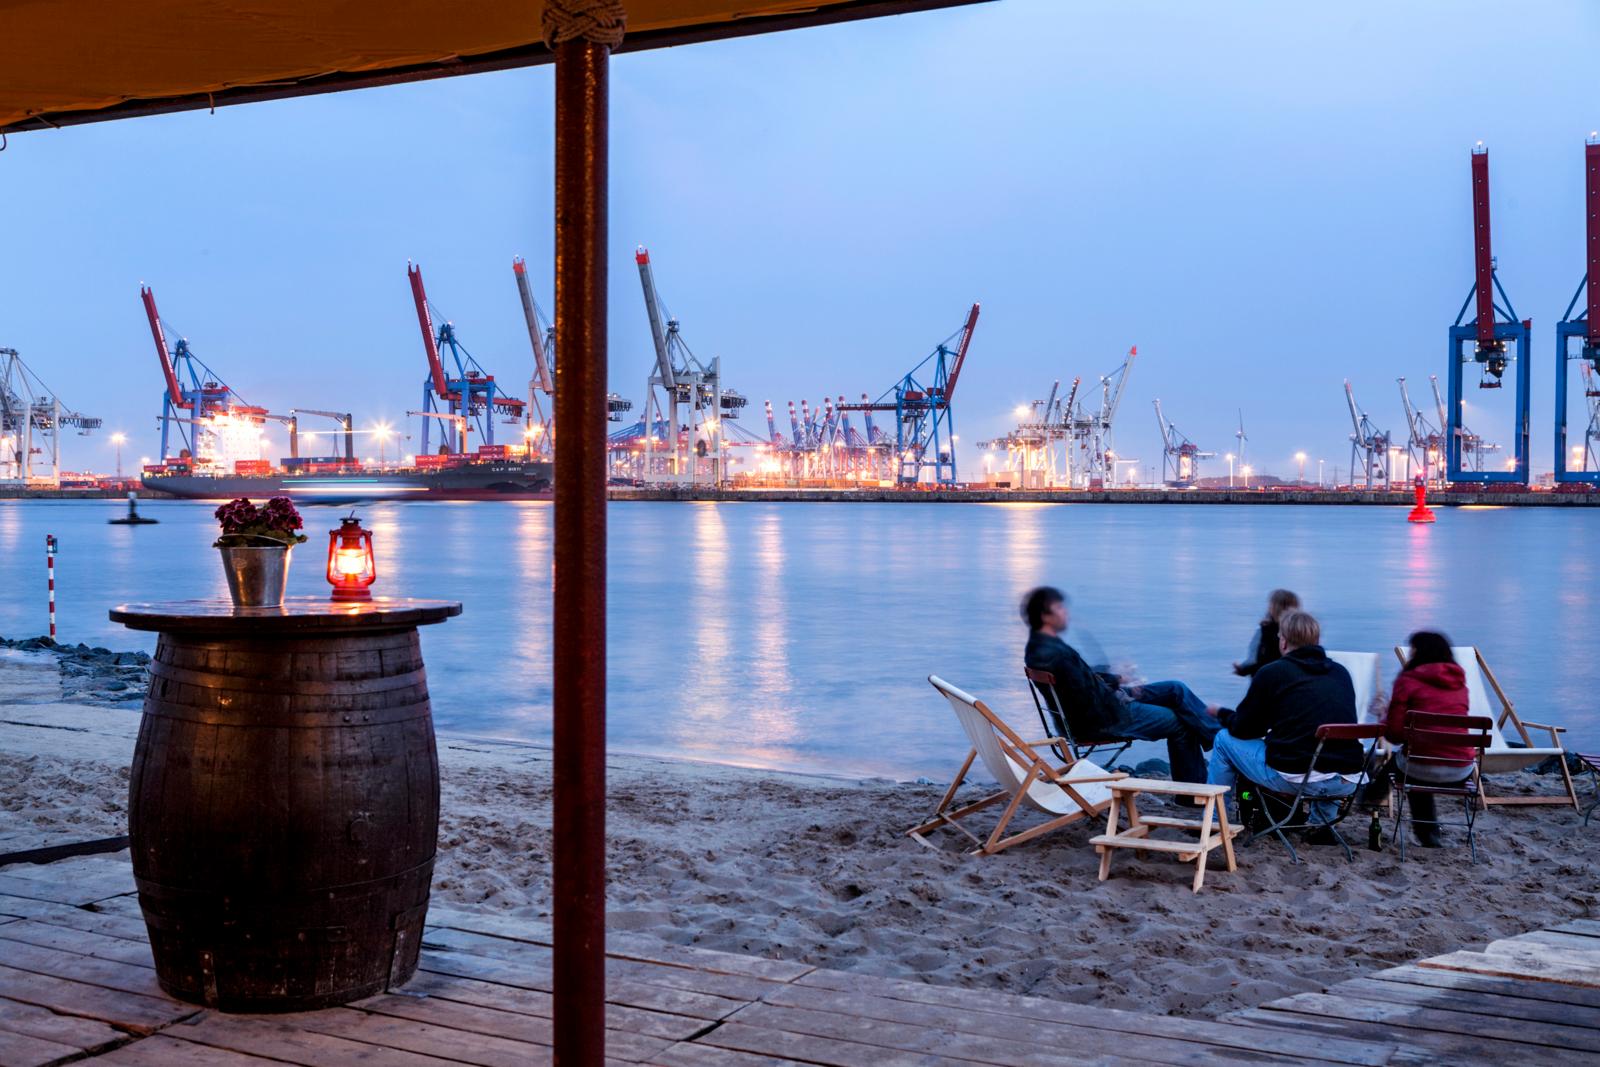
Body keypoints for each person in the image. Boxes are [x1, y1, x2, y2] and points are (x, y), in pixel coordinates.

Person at [1021, 586, 1219, 785]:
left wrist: (1116, 679)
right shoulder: (1056, 654)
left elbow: (1081, 679)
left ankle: (1217, 738)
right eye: (1060, 608)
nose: (1066, 612)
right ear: (1045, 615)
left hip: (1093, 711)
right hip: (1104, 720)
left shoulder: (1038, 648)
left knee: (1175, 689)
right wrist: (1122, 692)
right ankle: (1197, 783)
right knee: (1181, 723)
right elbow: (1086, 694)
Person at [1207, 609, 1365, 827]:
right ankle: (1321, 826)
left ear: (1283, 642)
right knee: (1325, 749)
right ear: (1317, 640)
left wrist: (1221, 713)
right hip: (1348, 778)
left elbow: (1244, 729)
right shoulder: (1341, 673)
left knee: (1224, 739)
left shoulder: (1273, 673)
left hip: (1297, 776)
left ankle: (1215, 821)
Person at [1366, 631, 1474, 848]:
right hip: (1461, 770)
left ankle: (1368, 799)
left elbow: (1394, 736)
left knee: (1412, 766)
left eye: (1412, 650)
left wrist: (1383, 714)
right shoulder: (1460, 684)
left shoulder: (1408, 681)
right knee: (1416, 761)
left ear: (1418, 653)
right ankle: (1428, 833)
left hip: (1421, 768)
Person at [1232, 588, 1300, 676]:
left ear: (1273, 608)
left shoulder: (1264, 631)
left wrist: (1242, 669)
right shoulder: (1301, 632)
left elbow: (1253, 660)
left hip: (1265, 681)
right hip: (1294, 681)